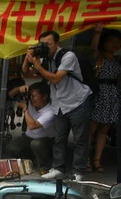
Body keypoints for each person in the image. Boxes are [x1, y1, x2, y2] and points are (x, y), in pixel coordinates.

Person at [23, 30, 92, 181]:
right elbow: (26, 72)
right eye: (43, 44)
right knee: (59, 138)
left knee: (80, 139)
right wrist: (29, 59)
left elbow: (55, 79)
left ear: (57, 43)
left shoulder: (68, 56)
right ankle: (58, 169)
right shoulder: (45, 57)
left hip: (77, 101)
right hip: (59, 103)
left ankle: (78, 172)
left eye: (48, 44)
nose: (45, 47)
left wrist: (38, 65)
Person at [87, 24, 121, 173]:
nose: (115, 44)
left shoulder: (117, 60)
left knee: (104, 130)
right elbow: (93, 48)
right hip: (99, 92)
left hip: (113, 94)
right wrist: (97, 33)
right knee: (91, 129)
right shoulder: (98, 57)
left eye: (117, 42)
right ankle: (86, 159)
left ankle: (97, 159)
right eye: (111, 41)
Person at [5, 82, 56, 174]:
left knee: (36, 144)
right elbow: (10, 94)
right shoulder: (30, 103)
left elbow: (33, 126)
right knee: (11, 147)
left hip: (46, 141)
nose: (31, 99)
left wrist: (25, 109)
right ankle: (30, 160)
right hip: (28, 138)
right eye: (30, 96)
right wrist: (19, 88)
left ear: (44, 96)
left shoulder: (50, 111)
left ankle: (44, 167)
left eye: (34, 96)